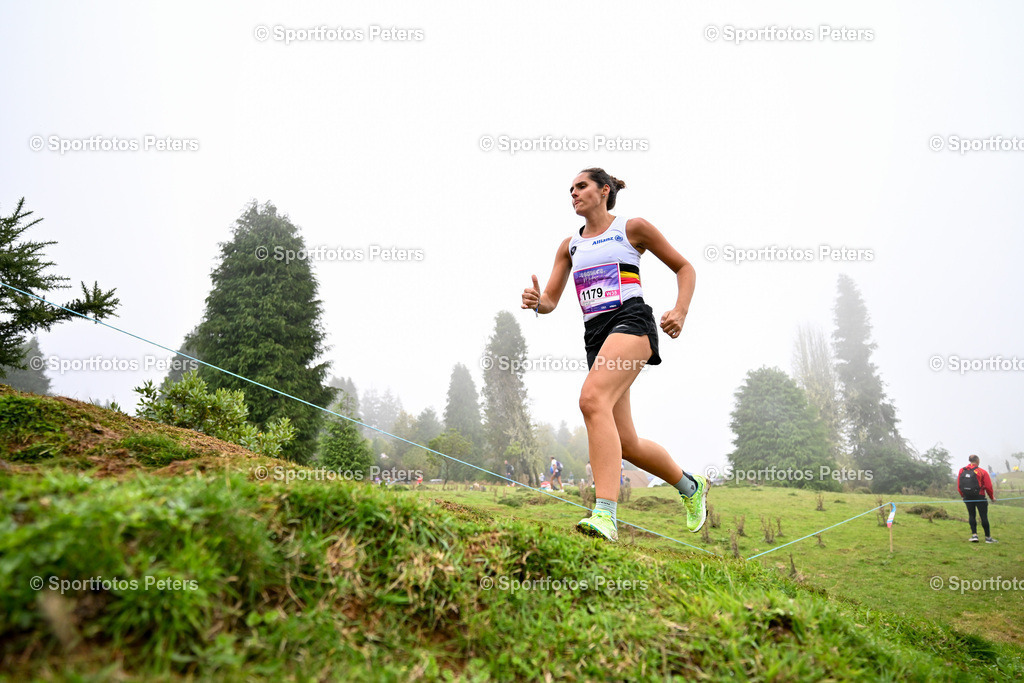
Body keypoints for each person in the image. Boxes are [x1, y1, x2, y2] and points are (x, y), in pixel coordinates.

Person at [520, 168, 707, 542]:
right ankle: (691, 487)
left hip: (632, 321)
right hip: (596, 336)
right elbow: (552, 301)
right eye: (570, 188)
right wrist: (536, 303)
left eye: (581, 186)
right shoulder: (568, 246)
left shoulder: (631, 228)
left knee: (591, 399)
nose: (573, 192)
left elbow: (684, 267)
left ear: (604, 191)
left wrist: (680, 310)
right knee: (627, 442)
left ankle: (605, 514)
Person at [957, 454, 996, 543]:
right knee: (983, 517)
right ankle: (988, 538)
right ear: (977, 461)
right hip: (980, 496)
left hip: (967, 497)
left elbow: (959, 485)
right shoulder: (982, 471)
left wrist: (963, 495)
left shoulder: (962, 470)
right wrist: (992, 497)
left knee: (971, 515)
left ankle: (974, 535)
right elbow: (988, 486)